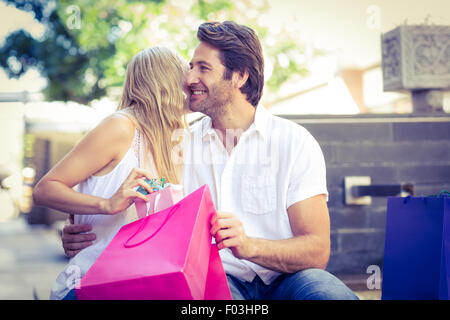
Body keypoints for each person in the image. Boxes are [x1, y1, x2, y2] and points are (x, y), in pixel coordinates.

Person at [60, 21, 359, 300]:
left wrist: (250, 246)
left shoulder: (294, 142)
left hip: (291, 277)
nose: (189, 79)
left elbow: (317, 250)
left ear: (240, 76)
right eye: (190, 67)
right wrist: (89, 233)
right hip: (216, 277)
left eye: (203, 68)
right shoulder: (178, 143)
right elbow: (141, 209)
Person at [32, 46, 189, 300]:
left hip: (141, 286)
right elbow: (45, 188)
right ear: (167, 82)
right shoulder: (121, 127)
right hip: (94, 285)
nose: (193, 82)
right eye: (187, 73)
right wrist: (106, 204)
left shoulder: (178, 139)